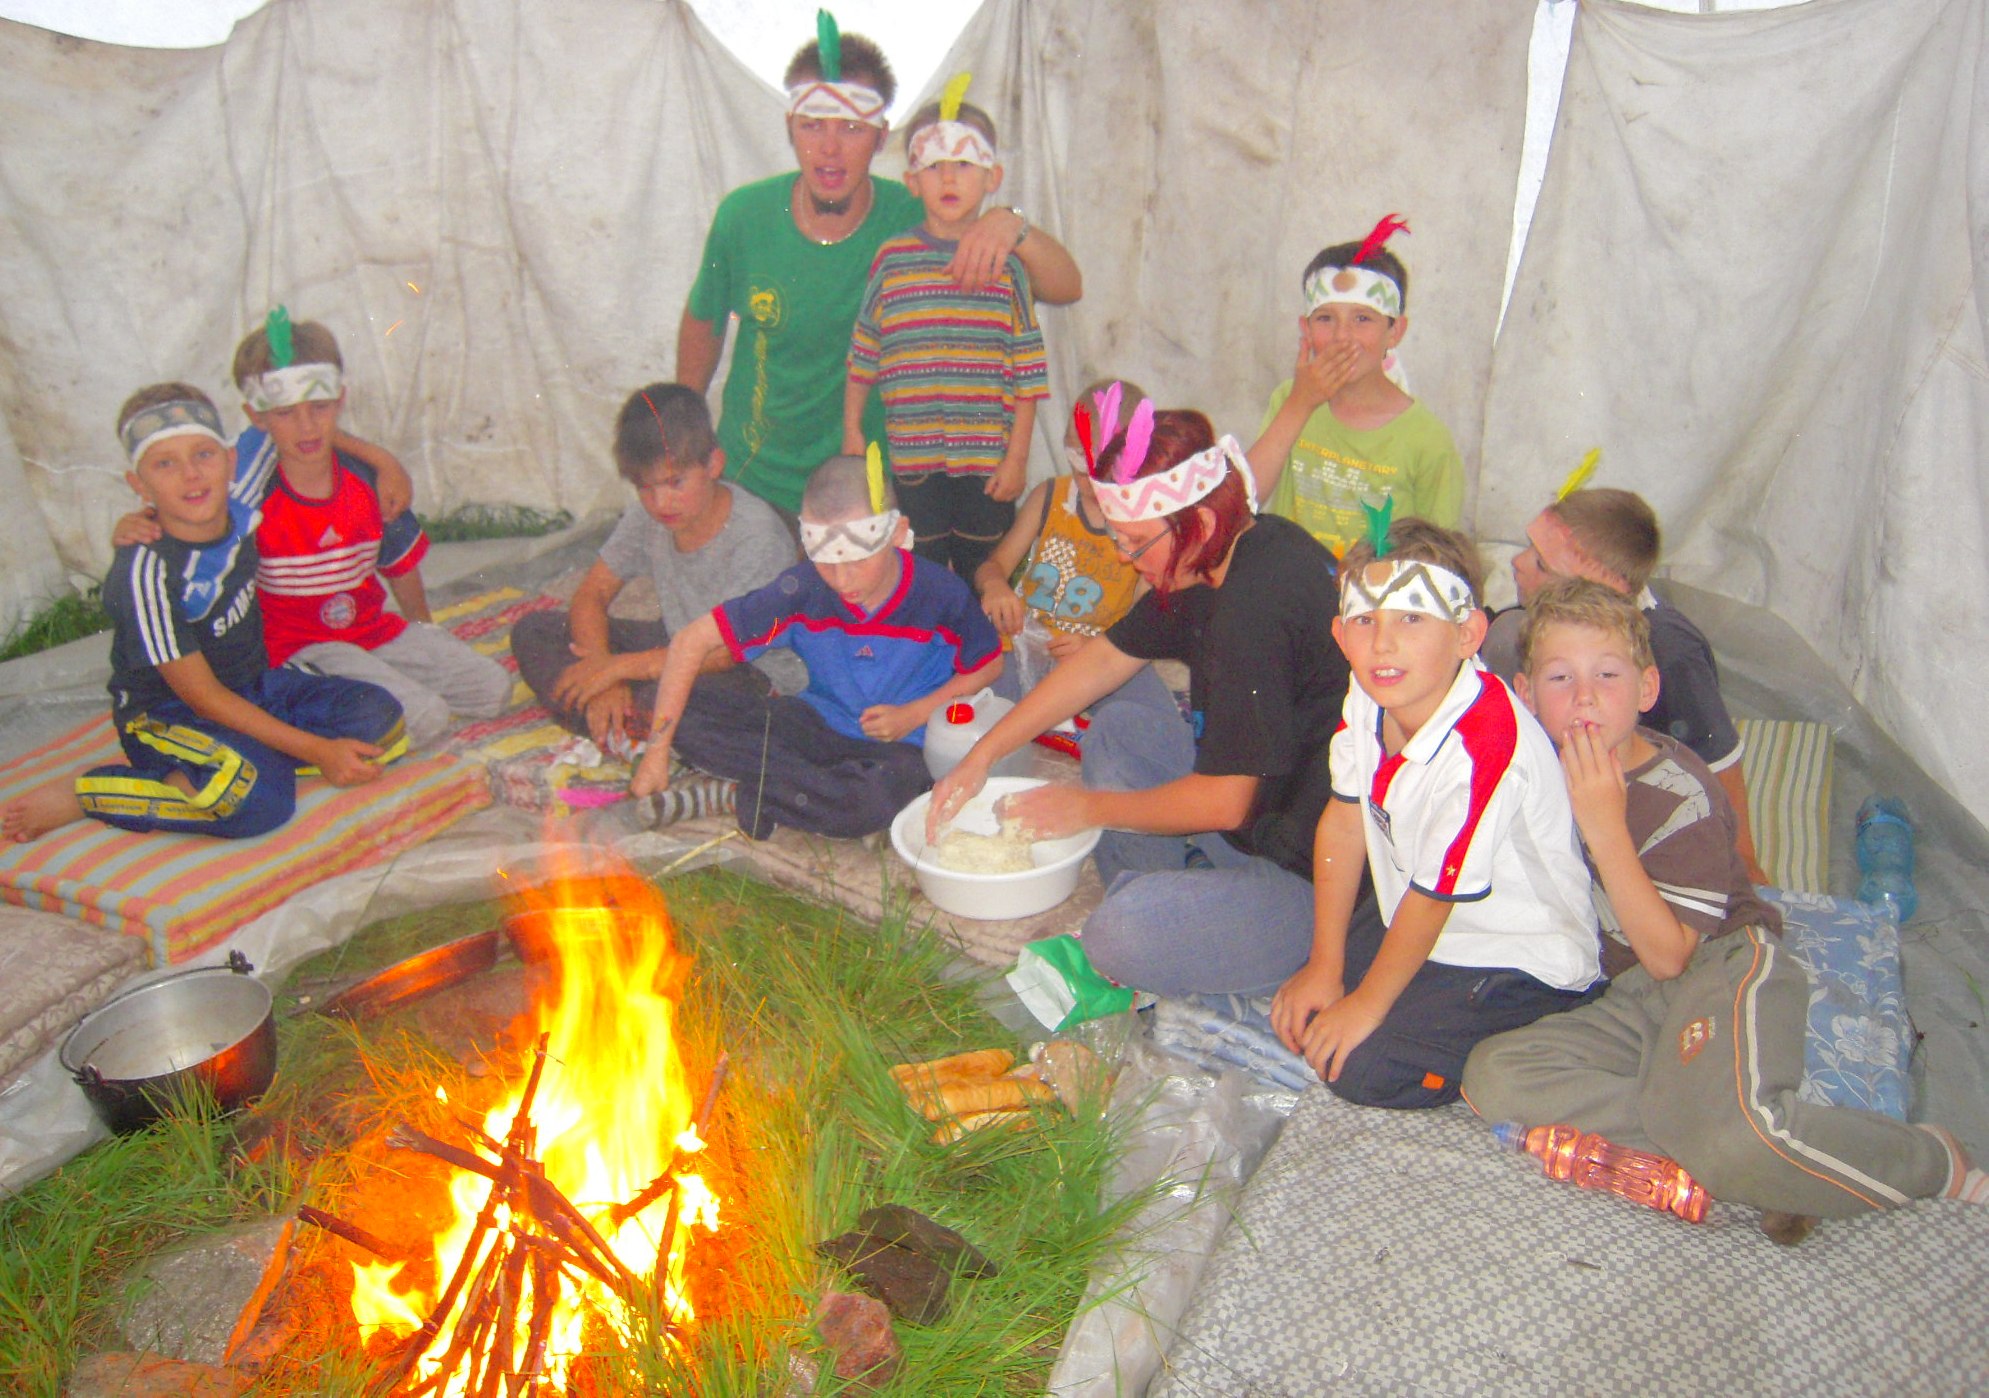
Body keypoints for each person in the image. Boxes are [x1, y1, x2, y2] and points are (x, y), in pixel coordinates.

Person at [1461, 579, 1986, 1219]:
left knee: (1734, 1136)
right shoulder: (1536, 770)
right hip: (1628, 997)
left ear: (1647, 689)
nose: (1585, 696)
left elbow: (1670, 958)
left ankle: (1930, 1159)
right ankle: (1747, 1157)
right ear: (1526, 694)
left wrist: (1604, 825)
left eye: (1607, 674)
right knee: (1495, 1074)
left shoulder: (1681, 791)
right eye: (1560, 678)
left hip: (1722, 966)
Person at [928, 406, 1350, 998]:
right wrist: (983, 754)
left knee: (1119, 934)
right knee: (1120, 726)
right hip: (1252, 821)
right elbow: (1104, 660)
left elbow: (1226, 804)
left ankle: (1187, 918)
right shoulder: (1216, 558)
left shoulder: (1256, 611)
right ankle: (1183, 903)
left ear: (1199, 522)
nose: (1125, 558)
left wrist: (1086, 808)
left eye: (1134, 542)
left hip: (1311, 876)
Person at [677, 13, 1080, 516]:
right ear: (790, 129)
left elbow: (1067, 287)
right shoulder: (743, 216)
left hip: (875, 487)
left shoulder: (922, 220)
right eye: (812, 125)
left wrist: (1011, 223)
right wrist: (684, 435)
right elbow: (705, 320)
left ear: (881, 136)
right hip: (755, 481)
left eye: (852, 128)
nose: (829, 148)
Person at [1268, 517, 1601, 1109]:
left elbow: (1434, 898)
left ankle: (1555, 1028)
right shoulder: (1372, 688)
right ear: (1341, 634)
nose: (1383, 644)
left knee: (1360, 1067)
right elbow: (1343, 821)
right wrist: (1325, 964)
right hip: (1424, 911)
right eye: (1365, 621)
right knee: (1312, 1003)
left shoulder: (1486, 745)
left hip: (1517, 954)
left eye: (1412, 619)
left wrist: (1367, 1005)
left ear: (1467, 634)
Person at [1, 385, 405, 843]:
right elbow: (203, 698)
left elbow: (291, 423)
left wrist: (384, 463)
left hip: (253, 687)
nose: (191, 475)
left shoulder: (240, 498)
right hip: (170, 714)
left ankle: (247, 756)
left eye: (203, 455)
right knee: (259, 802)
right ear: (140, 486)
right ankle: (91, 794)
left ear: (231, 461)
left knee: (379, 719)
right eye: (165, 464)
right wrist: (319, 751)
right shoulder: (146, 572)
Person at [628, 450, 1001, 839]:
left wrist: (914, 714)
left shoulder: (940, 594)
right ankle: (801, 791)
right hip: (818, 724)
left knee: (881, 794)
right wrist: (656, 753)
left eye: (857, 561)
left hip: (899, 747)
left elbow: (989, 664)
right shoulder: (803, 589)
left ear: (896, 533)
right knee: (674, 708)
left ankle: (745, 793)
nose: (842, 580)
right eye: (826, 564)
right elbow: (691, 641)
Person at [224, 313, 512, 748]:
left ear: (340, 400)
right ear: (257, 416)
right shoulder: (251, 490)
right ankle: (300, 706)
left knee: (492, 690)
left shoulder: (366, 478)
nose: (307, 427)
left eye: (319, 407)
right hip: (301, 648)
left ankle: (379, 684)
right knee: (424, 717)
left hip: (371, 630)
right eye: (285, 413)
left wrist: (423, 630)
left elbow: (398, 561)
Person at [510, 383, 801, 799]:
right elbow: (592, 593)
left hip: (750, 673)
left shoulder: (757, 535)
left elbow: (726, 653)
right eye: (646, 488)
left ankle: (629, 728)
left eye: (675, 482)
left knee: (673, 702)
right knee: (535, 631)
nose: (661, 501)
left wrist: (620, 668)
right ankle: (623, 720)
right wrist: (604, 675)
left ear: (714, 464)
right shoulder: (647, 517)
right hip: (671, 648)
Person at [1483, 485, 1767, 884]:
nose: (1517, 563)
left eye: (1543, 565)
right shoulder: (1524, 625)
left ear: (1595, 594)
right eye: (1529, 547)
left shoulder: (1671, 653)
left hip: (1637, 830)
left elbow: (1720, 763)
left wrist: (1744, 868)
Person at [842, 75, 1048, 581]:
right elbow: (864, 350)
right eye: (934, 166)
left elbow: (1028, 370)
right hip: (914, 458)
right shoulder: (892, 261)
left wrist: (1018, 458)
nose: (949, 179)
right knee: (921, 571)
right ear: (912, 181)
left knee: (985, 573)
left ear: (993, 177)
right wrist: (851, 429)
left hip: (988, 463)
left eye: (964, 165)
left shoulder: (1008, 268)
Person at [1245, 216, 1463, 558]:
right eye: (1325, 318)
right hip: (1290, 580)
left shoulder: (1427, 440)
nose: (1342, 337)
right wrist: (1300, 404)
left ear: (1395, 331)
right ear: (1305, 328)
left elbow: (1441, 556)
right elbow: (1245, 500)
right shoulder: (1289, 399)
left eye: (1363, 319)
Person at [973, 379, 1151, 697]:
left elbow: (1144, 619)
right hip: (1025, 643)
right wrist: (995, 585)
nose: (1082, 476)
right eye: (1075, 455)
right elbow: (993, 566)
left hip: (1098, 656)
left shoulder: (1144, 523)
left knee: (1135, 707)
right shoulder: (1049, 496)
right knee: (989, 698)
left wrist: (1098, 645)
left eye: (1095, 466)